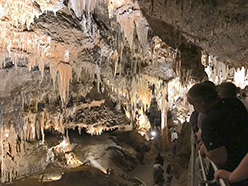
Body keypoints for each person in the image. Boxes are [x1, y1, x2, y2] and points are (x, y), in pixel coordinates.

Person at [187, 82, 248, 186]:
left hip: (235, 172)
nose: (195, 109)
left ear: (201, 101)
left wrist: (205, 149)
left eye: (194, 105)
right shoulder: (234, 103)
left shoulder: (210, 120)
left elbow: (220, 157)